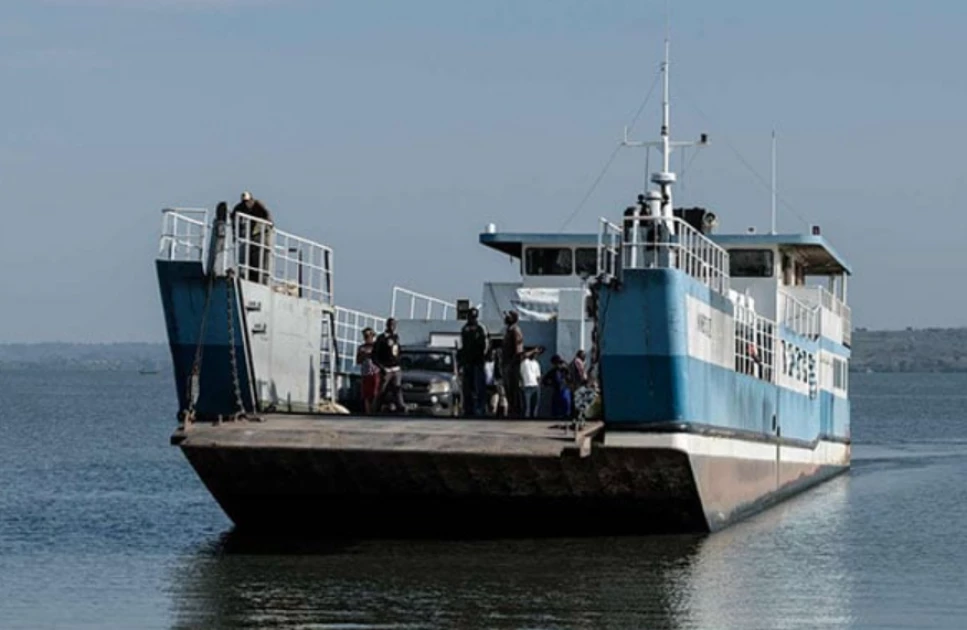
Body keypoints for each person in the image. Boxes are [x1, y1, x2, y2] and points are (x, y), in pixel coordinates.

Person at [231, 191, 274, 283]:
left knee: (260, 258)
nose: (246, 204)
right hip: (251, 234)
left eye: (248, 201)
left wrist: (269, 223)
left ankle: (261, 279)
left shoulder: (257, 204)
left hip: (261, 232)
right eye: (244, 202)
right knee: (248, 256)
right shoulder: (240, 207)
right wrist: (234, 232)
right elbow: (233, 217)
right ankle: (248, 276)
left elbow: (267, 214)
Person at [458, 308, 489, 417]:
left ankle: (480, 408)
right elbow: (462, 344)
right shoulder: (465, 328)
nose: (472, 318)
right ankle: (468, 408)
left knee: (479, 387)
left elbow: (486, 345)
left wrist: (482, 357)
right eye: (470, 316)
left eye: (474, 316)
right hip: (468, 362)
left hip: (478, 362)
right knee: (467, 387)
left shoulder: (481, 328)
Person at [373, 317, 406, 414]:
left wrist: (400, 363)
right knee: (382, 391)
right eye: (391, 325)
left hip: (396, 369)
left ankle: (401, 408)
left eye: (394, 325)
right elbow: (374, 355)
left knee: (397, 389)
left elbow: (398, 352)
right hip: (386, 369)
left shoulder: (396, 337)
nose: (393, 327)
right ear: (387, 325)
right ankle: (375, 409)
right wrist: (381, 367)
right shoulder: (382, 338)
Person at [501, 311, 524, 416]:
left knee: (513, 389)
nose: (505, 317)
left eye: (508, 316)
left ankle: (515, 411)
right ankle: (512, 409)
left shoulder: (515, 331)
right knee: (508, 390)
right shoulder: (508, 331)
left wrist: (511, 364)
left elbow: (518, 351)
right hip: (507, 364)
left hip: (512, 366)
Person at [355, 327, 380, 414]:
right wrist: (364, 355)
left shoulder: (376, 347)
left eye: (368, 336)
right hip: (365, 373)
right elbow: (358, 361)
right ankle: (368, 412)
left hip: (375, 372)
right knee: (366, 394)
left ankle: (374, 410)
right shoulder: (361, 348)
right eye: (365, 336)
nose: (366, 337)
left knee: (374, 393)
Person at [543, 354, 573, 419]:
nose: (558, 365)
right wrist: (551, 384)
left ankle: (566, 418)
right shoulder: (552, 372)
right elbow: (544, 381)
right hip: (557, 391)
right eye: (556, 363)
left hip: (564, 390)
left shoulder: (565, 370)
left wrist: (567, 379)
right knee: (556, 410)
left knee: (566, 408)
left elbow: (570, 379)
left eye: (559, 363)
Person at [520, 348, 542, 418]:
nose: (535, 355)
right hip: (526, 387)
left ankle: (533, 421)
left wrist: (538, 386)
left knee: (535, 406)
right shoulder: (524, 362)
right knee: (526, 407)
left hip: (535, 386)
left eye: (536, 354)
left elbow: (538, 376)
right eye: (534, 354)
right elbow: (524, 355)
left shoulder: (536, 363)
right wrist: (534, 350)